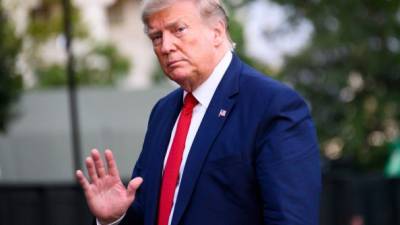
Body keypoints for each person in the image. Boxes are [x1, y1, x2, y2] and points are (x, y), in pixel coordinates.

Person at [75, 0, 321, 225]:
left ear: (217, 31)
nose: (166, 46)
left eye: (178, 30)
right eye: (156, 36)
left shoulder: (272, 106)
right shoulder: (163, 112)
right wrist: (115, 219)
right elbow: (150, 213)